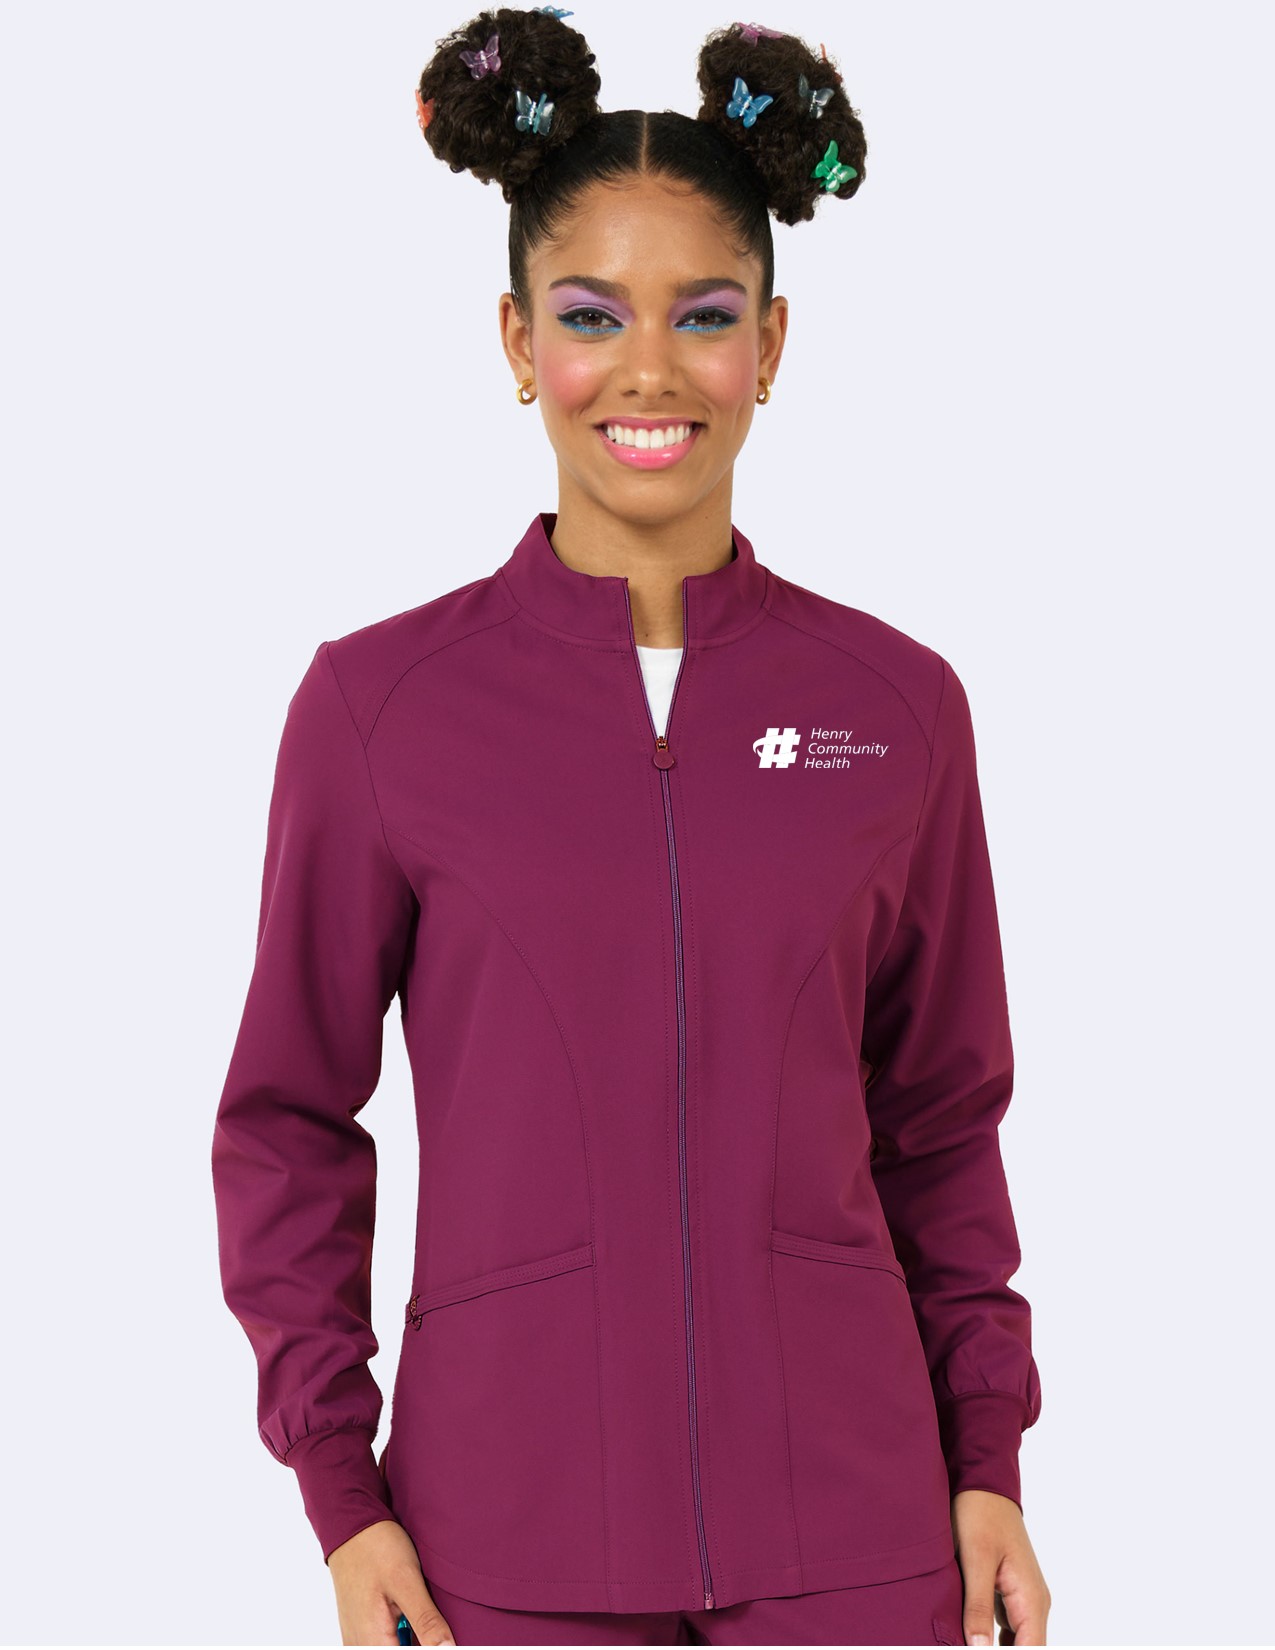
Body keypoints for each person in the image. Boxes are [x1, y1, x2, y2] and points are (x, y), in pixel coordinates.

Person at [210, 9, 1051, 1645]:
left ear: (773, 346)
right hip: (501, 1547)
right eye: (592, 315)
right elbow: (288, 1120)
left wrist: (989, 1463)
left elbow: (944, 1122)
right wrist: (341, 1495)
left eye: (706, 315)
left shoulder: (897, 708)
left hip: (860, 1542)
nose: (650, 370)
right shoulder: (379, 710)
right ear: (518, 341)